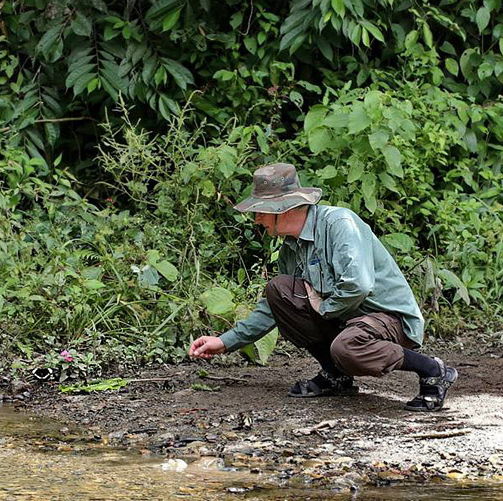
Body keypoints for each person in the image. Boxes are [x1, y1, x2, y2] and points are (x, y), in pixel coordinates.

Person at [188, 163, 458, 412]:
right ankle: (335, 375)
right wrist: (225, 342)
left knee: (347, 346)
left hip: (388, 319)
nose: (256, 219)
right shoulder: (291, 248)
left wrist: (324, 308)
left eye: (260, 211)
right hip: (347, 320)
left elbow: (359, 286)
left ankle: (432, 369)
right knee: (279, 290)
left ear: (282, 209)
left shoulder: (340, 224)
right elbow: (274, 308)